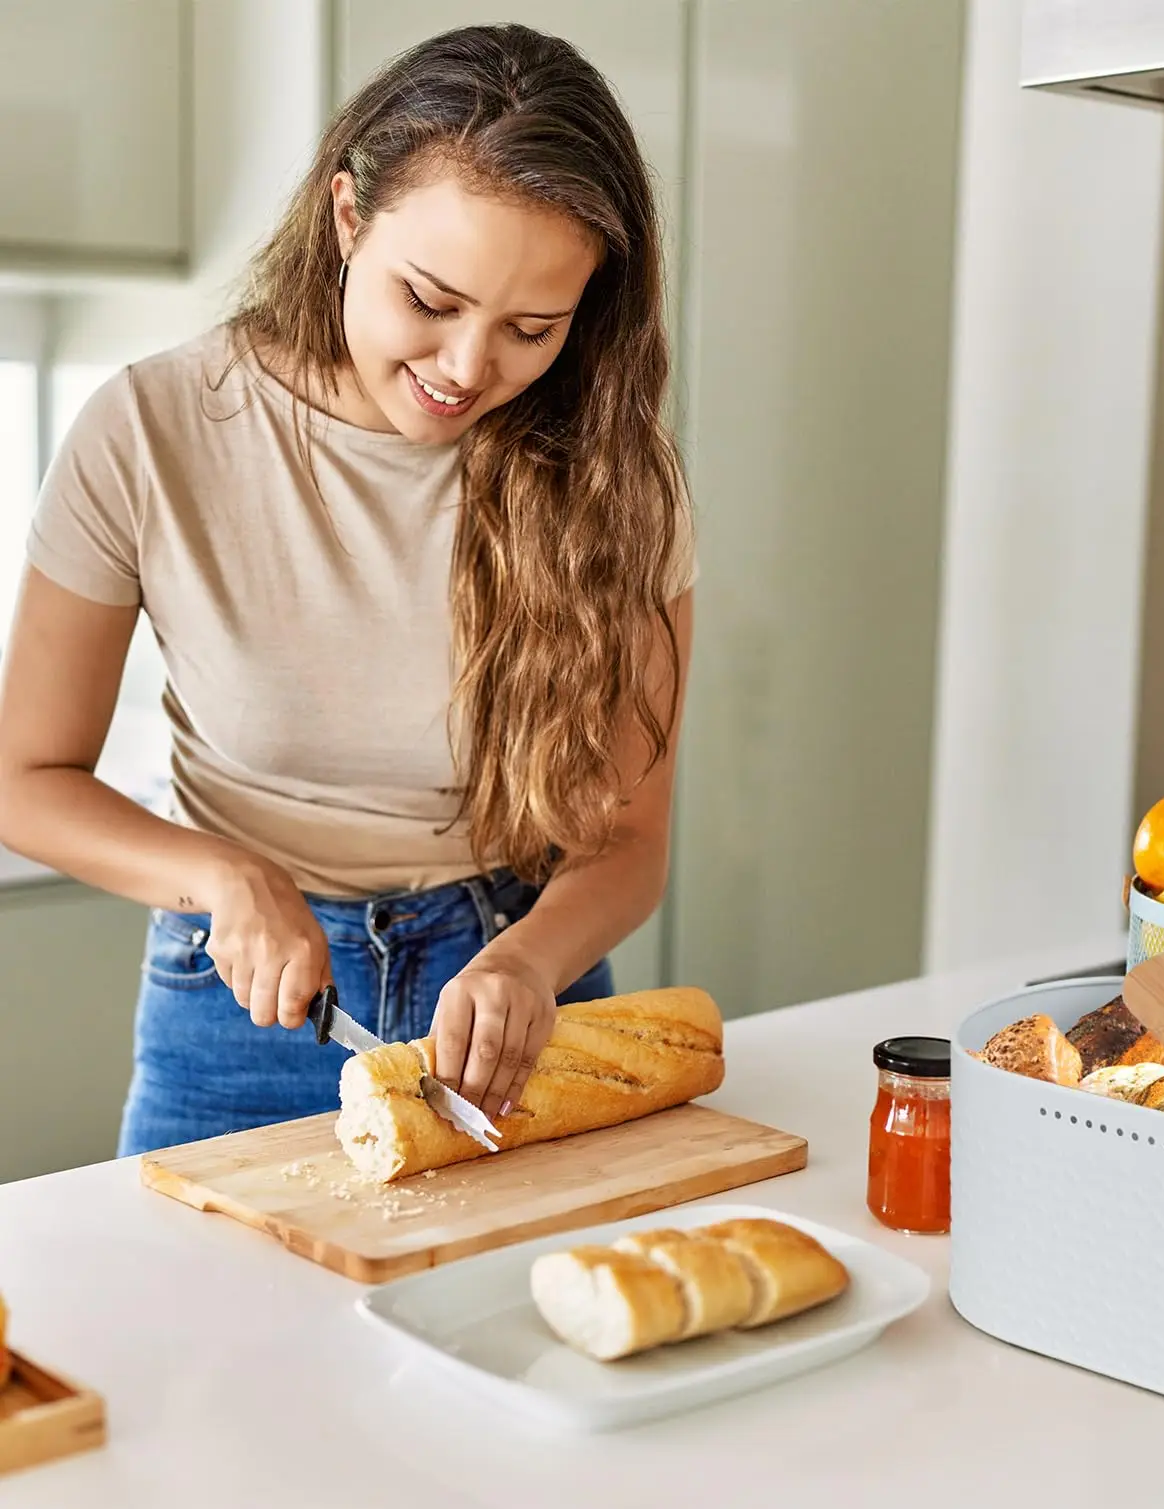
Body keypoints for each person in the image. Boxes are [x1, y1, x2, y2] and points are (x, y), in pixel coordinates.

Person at [0, 25, 695, 1155]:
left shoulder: (613, 478)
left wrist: (525, 960)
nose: (468, 367)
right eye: (430, 300)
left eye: (531, 330)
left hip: (516, 1002)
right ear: (345, 220)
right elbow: (23, 780)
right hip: (237, 1003)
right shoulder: (152, 430)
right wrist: (220, 874)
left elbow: (626, 838)